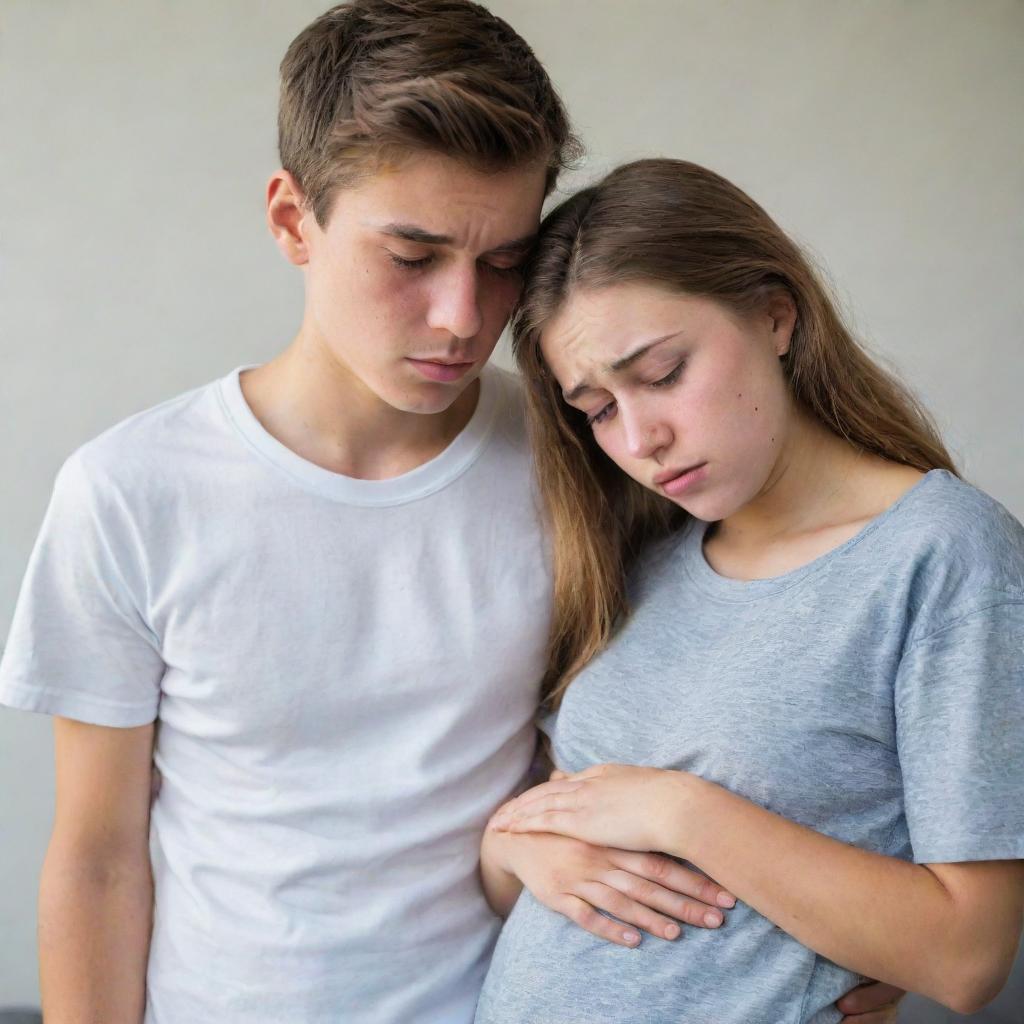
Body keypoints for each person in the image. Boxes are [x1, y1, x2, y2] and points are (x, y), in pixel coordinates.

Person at [0, 3, 905, 1022]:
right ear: (294, 220)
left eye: (503, 262)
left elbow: (750, 711)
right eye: (413, 256)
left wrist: (840, 939)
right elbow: (97, 858)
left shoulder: (591, 461)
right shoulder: (129, 490)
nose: (462, 320)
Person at [476, 157, 1024, 1023]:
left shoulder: (942, 556)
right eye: (599, 409)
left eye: (661, 374)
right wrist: (514, 850)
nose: (642, 438)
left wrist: (682, 811)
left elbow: (967, 955)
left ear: (775, 314)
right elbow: (548, 877)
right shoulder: (645, 555)